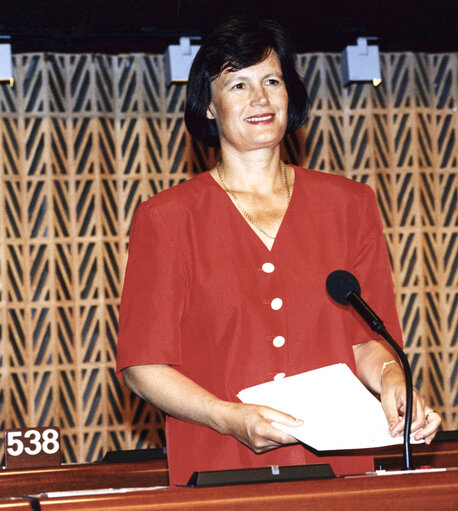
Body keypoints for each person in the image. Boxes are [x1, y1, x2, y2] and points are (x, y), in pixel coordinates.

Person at [116, 17, 441, 486]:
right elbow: (143, 367)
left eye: (272, 81)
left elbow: (368, 340)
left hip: (338, 468)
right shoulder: (166, 218)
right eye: (238, 84)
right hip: (217, 467)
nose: (260, 99)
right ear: (208, 106)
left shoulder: (351, 204)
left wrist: (393, 378)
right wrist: (231, 418)